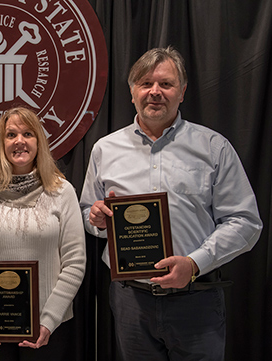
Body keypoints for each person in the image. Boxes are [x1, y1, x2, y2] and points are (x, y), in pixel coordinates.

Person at [80, 46, 262, 360]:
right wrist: (95, 220)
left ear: (182, 92)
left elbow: (245, 223)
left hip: (196, 300)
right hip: (130, 302)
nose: (155, 92)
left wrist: (193, 264)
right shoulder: (104, 150)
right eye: (145, 83)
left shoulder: (213, 147)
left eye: (166, 84)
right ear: (132, 91)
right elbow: (88, 212)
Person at [0, 107, 86, 361]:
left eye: (28, 133)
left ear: (39, 141)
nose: (19, 141)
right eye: (11, 134)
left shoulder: (61, 191)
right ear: (1, 143)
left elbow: (75, 262)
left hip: (48, 328)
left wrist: (48, 321)